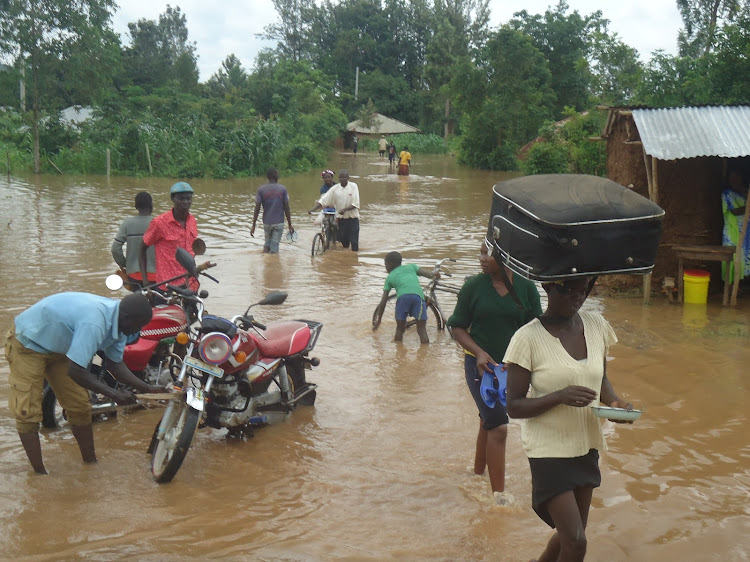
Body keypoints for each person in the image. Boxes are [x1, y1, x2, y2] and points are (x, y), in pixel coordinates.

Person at [504, 277, 633, 562]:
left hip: (585, 444)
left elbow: (601, 380)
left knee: (570, 538)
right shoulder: (527, 338)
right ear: (548, 287)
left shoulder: (596, 326)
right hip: (548, 450)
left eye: (583, 290)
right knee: (576, 543)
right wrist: (558, 396)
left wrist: (615, 403)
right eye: (568, 289)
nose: (577, 296)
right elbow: (513, 406)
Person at [4, 292, 167, 474]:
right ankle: (40, 475)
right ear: (126, 317)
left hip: (59, 350)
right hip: (28, 343)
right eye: (136, 326)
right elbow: (76, 371)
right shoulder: (95, 322)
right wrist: (113, 394)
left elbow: (115, 365)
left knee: (80, 407)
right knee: (27, 412)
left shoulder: (122, 326)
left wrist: (148, 388)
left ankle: (90, 465)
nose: (136, 332)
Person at [446, 240, 542, 501]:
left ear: (507, 256)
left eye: (488, 253)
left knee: (488, 420)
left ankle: (477, 474)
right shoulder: (473, 287)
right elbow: (457, 327)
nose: (482, 258)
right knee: (499, 427)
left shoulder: (526, 288)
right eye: (481, 253)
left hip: (512, 368)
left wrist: (524, 360)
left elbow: (536, 329)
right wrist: (478, 352)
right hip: (479, 365)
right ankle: (498, 498)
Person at [140, 181, 199, 291]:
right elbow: (142, 248)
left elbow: (191, 251)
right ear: (173, 198)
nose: (186, 202)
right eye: (181, 199)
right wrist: (145, 281)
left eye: (188, 198)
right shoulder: (160, 222)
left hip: (190, 284)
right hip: (167, 285)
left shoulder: (192, 221)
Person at [374, 251, 440, 344]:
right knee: (422, 330)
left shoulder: (389, 278)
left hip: (403, 299)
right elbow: (428, 274)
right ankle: (424, 353)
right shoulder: (412, 267)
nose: (386, 267)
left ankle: (399, 354)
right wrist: (435, 274)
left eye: (386, 264)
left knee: (400, 330)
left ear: (390, 264)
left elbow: (384, 300)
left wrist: (379, 319)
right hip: (418, 298)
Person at [111, 191, 157, 290]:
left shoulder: (127, 224)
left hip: (133, 274)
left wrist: (125, 264)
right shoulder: (158, 223)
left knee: (137, 302)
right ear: (151, 205)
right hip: (156, 275)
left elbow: (115, 249)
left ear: (136, 206)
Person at [308, 169, 360, 251]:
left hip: (353, 219)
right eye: (340, 178)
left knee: (354, 243)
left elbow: (356, 203)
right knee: (345, 243)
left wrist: (344, 209)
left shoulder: (353, 186)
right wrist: (313, 209)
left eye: (344, 177)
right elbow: (323, 200)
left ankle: (354, 261)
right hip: (341, 220)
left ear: (348, 178)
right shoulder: (334, 189)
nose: (342, 179)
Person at [250, 168, 295, 254]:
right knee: (274, 248)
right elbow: (286, 207)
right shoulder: (283, 189)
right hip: (278, 222)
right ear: (276, 176)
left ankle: (266, 263)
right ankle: (272, 265)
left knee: (267, 244)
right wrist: (290, 224)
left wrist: (253, 225)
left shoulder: (261, 189)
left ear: (267, 177)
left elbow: (257, 208)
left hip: (266, 223)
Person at [721, 170, 750, 281]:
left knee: (744, 257)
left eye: (737, 177)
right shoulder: (727, 193)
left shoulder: (745, 192)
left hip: (745, 231)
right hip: (733, 231)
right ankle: (731, 285)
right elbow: (734, 211)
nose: (735, 180)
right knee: (732, 257)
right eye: (732, 177)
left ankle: (740, 284)